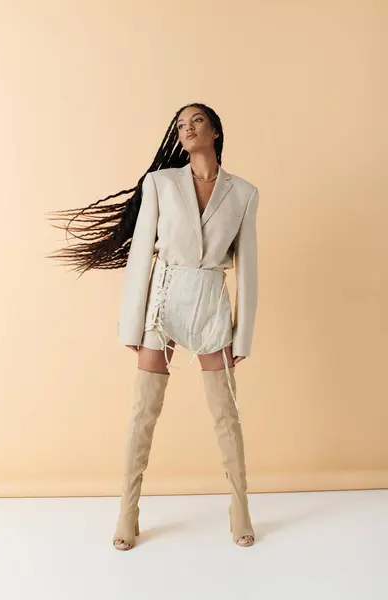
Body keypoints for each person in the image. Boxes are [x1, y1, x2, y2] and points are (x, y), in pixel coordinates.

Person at [48, 102, 259, 550]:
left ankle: (240, 506)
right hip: (163, 302)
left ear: (216, 131)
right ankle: (128, 510)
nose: (187, 129)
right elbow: (143, 251)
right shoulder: (160, 183)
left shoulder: (243, 193)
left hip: (209, 304)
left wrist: (244, 333)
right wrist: (131, 325)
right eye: (181, 125)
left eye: (196, 121)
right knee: (143, 412)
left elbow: (249, 267)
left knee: (226, 412)